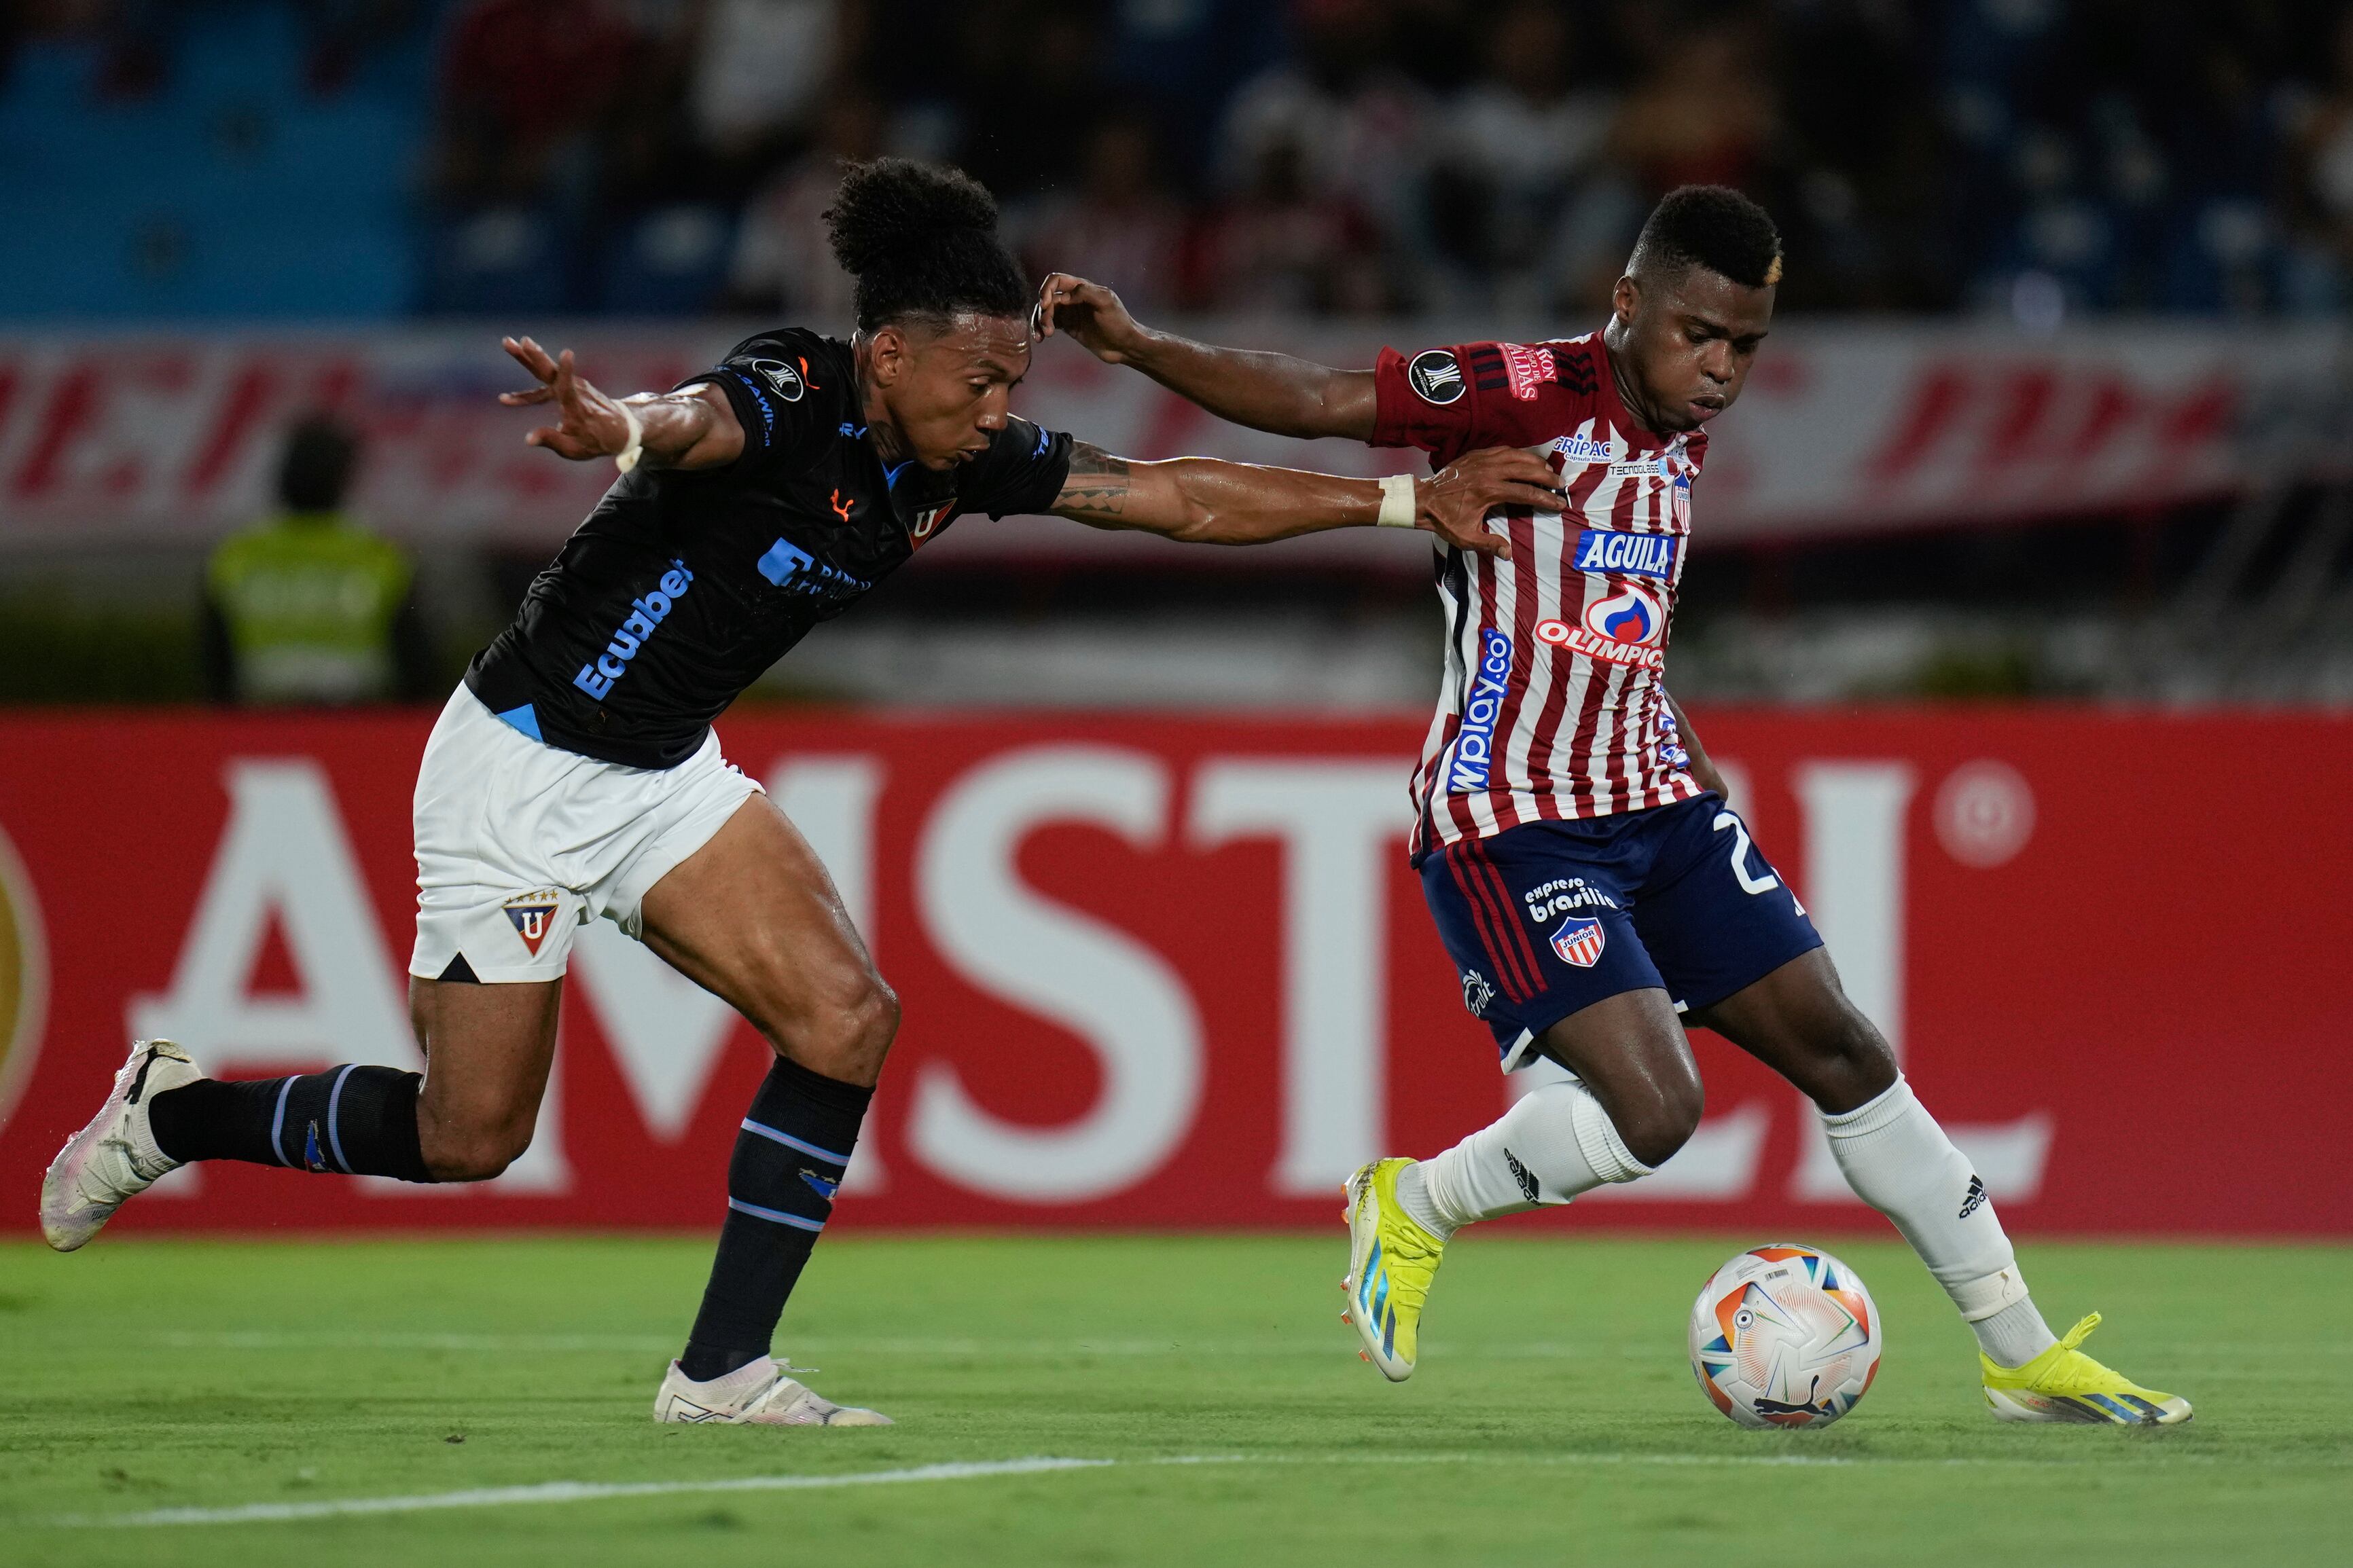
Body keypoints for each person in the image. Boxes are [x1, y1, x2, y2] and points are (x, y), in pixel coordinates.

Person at [38, 159, 1560, 1429]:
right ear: (888, 353)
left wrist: (1394, 499)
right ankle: (176, 1111)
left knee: (848, 1016)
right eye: (978, 377)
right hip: (518, 767)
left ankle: (722, 1369)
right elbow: (695, 417)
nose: (997, 405)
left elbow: (1160, 492)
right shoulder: (790, 386)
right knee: (467, 1134)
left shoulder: (953, 459)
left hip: (662, 773)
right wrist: (622, 428)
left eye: (1010, 380)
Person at [1035, 184, 2191, 1426]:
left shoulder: (1679, 429)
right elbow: (1315, 398)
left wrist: (1678, 745)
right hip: (1508, 813)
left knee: (1845, 1050)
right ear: (1626, 304)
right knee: (1656, 1110)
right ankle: (1414, 1201)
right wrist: (1142, 345)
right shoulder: (1517, 389)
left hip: (1654, 799)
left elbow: (1603, 621)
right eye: (1697, 333)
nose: (1720, 369)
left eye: (1745, 344)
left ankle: (2016, 1354)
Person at [200, 414, 436, 706]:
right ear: (344, 479)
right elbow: (417, 664)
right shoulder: (379, 555)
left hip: (261, 727)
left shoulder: (238, 556)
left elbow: (214, 664)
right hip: (360, 727)